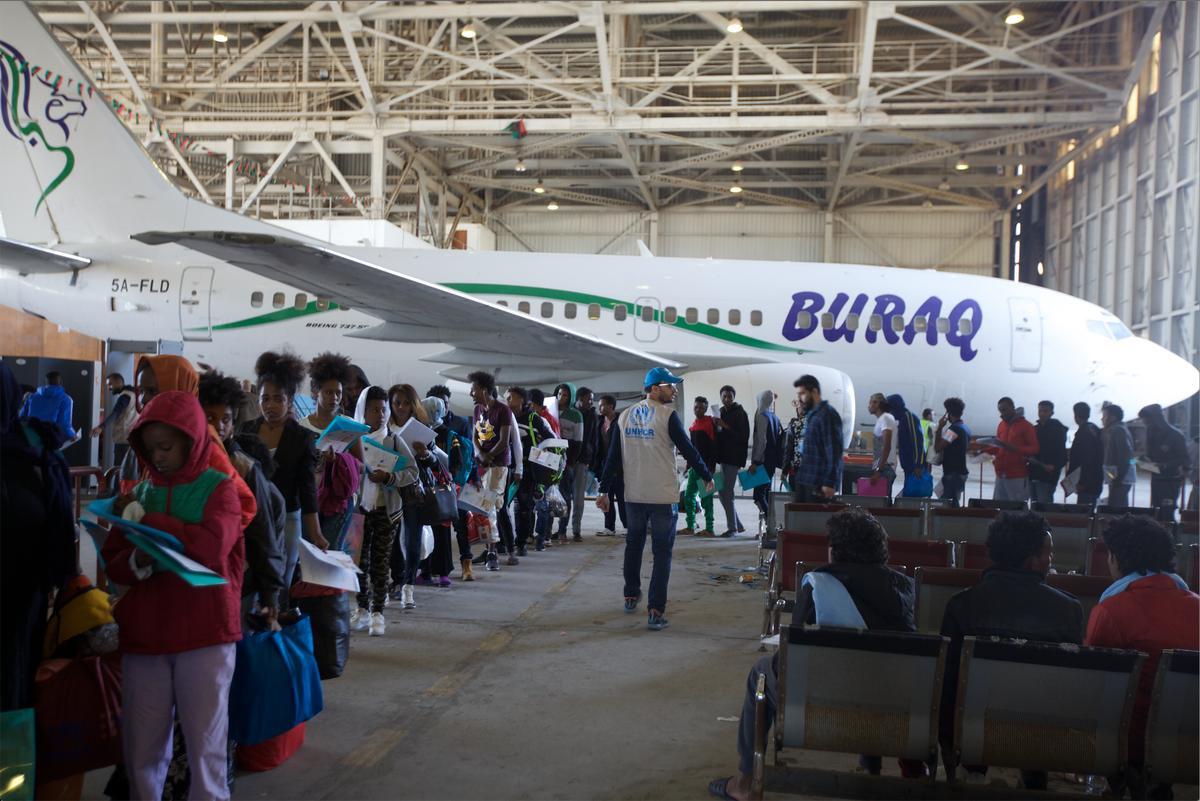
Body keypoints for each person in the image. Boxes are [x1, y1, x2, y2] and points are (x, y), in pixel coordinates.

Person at [709, 508, 920, 801]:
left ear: (833, 552)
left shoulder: (819, 584)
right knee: (869, 668)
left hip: (823, 705)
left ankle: (745, 782)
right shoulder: (905, 589)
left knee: (761, 671)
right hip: (889, 703)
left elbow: (793, 659)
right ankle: (870, 770)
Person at [100, 391, 244, 801]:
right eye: (150, 449)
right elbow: (114, 561)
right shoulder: (138, 494)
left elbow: (213, 549)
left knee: (206, 749)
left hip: (205, 634)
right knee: (142, 749)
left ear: (192, 439)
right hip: (146, 636)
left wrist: (153, 525)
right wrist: (140, 559)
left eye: (166, 446)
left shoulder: (220, 489)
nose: (157, 457)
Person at [938, 510, 1083, 787]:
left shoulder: (961, 605)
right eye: (1047, 553)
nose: (1051, 559)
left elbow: (948, 681)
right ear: (1032, 559)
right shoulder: (1067, 610)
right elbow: (1068, 685)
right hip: (1042, 733)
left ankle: (973, 774)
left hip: (972, 727)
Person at [1086, 515, 1199, 799]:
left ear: (1115, 558)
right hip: (1192, 741)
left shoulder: (1111, 612)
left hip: (1129, 744)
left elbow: (1095, 689)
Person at [598, 367, 712, 631]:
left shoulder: (624, 417)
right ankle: (655, 610)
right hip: (662, 496)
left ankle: (630, 594)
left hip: (634, 495)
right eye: (670, 386)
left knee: (633, 546)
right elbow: (688, 450)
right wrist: (706, 474)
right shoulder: (668, 416)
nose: (674, 390)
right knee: (662, 553)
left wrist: (603, 490)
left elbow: (612, 458)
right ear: (655, 388)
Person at [1, 363, 76, 711]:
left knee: (15, 682)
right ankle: (13, 765)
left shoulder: (35, 450)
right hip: (26, 595)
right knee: (16, 683)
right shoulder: (36, 448)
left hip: (22, 594)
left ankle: (13, 766)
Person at [199, 371, 286, 633]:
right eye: (210, 418)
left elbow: (263, 532)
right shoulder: (185, 460)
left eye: (225, 419)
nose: (219, 426)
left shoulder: (243, 468)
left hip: (239, 574)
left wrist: (271, 593)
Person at [238, 351, 324, 598]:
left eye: (278, 399)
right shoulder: (246, 432)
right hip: (251, 516)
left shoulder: (302, 438)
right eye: (265, 399)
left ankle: (273, 624)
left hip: (288, 518)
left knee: (281, 580)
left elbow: (307, 490)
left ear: (290, 400)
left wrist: (316, 533)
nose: (271, 406)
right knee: (250, 577)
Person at [350, 386, 406, 634]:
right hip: (359, 510)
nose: (381, 414)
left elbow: (411, 473)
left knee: (380, 563)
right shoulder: (355, 440)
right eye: (374, 409)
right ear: (363, 411)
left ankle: (378, 613)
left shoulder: (394, 440)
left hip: (386, 510)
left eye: (384, 409)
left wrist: (389, 477)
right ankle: (361, 608)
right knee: (359, 562)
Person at [299, 352, 363, 551]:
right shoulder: (301, 426)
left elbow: (362, 466)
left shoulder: (349, 426)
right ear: (316, 391)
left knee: (330, 554)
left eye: (338, 393)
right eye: (328, 392)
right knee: (308, 556)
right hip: (308, 500)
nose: (334, 398)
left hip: (339, 501)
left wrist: (341, 460)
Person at [387, 384, 443, 606]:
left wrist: (425, 454)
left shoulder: (421, 429)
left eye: (406, 402)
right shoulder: (384, 427)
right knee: (389, 542)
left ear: (413, 404)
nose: (401, 407)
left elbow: (436, 464)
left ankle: (408, 587)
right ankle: (396, 580)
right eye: (396, 403)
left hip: (413, 491)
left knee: (412, 540)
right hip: (388, 489)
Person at [427, 384, 476, 577]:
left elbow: (469, 452)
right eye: (439, 404)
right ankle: (433, 568)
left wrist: (474, 477)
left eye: (446, 403)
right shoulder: (425, 424)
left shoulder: (459, 423)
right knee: (437, 526)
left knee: (461, 523)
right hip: (434, 483)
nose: (443, 408)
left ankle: (467, 563)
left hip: (457, 481)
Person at [470, 370, 516, 573]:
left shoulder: (503, 410)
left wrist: (489, 456)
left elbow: (505, 440)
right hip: (482, 465)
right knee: (483, 508)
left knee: (489, 508)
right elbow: (474, 435)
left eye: (474, 390)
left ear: (484, 390)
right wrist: (480, 454)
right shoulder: (478, 410)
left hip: (497, 467)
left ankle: (493, 552)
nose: (471, 394)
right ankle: (490, 548)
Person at [506, 386, 558, 553]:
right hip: (508, 467)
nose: (508, 400)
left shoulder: (535, 419)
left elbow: (552, 440)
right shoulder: (505, 417)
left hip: (528, 470)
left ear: (522, 400)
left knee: (524, 507)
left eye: (511, 397)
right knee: (506, 507)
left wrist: (539, 455)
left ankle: (521, 543)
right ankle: (507, 542)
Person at [419, 396, 458, 583]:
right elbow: (455, 462)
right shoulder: (449, 433)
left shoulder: (420, 433)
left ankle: (426, 572)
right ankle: (443, 574)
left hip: (426, 489)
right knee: (441, 531)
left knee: (426, 529)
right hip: (443, 490)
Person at [971, 397, 1037, 502]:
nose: (1002, 413)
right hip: (1000, 475)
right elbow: (998, 446)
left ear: (1013, 408)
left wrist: (1015, 448)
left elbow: (1034, 448)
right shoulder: (1001, 425)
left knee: (1017, 509)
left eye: (1005, 409)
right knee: (999, 506)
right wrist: (982, 452)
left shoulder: (1026, 426)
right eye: (1000, 410)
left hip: (1017, 475)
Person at [793, 375, 844, 502]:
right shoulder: (812, 414)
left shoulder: (827, 415)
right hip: (805, 478)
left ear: (814, 392)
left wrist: (830, 483)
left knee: (813, 521)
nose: (799, 399)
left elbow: (834, 452)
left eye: (802, 394)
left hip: (818, 483)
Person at [1137, 404, 1189, 516]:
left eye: (1147, 420)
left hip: (1171, 481)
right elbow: (1150, 454)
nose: (1145, 423)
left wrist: (1165, 465)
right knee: (1155, 511)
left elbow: (1184, 458)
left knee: (1167, 511)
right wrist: (1143, 460)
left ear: (1156, 418)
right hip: (1156, 479)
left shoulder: (1175, 435)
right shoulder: (1151, 433)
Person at [714, 386, 749, 537]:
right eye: (724, 396)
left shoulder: (740, 413)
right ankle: (737, 525)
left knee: (727, 493)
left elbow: (743, 437)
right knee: (723, 492)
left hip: (733, 458)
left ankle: (733, 528)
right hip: (723, 458)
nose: (727, 399)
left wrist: (724, 426)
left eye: (729, 396)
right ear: (720, 397)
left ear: (734, 397)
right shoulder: (720, 412)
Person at [550, 383, 584, 543]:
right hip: (549, 458)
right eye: (559, 394)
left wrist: (570, 462)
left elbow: (578, 441)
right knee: (548, 495)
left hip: (566, 460)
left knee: (565, 495)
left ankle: (562, 530)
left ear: (571, 397)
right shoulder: (549, 410)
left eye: (565, 395)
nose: (561, 397)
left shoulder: (576, 415)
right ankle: (545, 530)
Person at [681, 396, 718, 537]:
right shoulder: (693, 425)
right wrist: (688, 465)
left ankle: (710, 529)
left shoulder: (710, 424)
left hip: (706, 469)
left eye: (701, 407)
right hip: (694, 468)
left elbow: (714, 448)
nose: (698, 410)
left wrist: (710, 469)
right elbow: (692, 449)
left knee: (706, 499)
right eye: (696, 407)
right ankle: (690, 526)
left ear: (706, 408)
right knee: (688, 496)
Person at [567, 386, 600, 540]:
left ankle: (576, 530)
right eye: (588, 399)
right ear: (579, 400)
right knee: (564, 496)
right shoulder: (570, 414)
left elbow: (593, 440)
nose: (591, 402)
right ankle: (561, 529)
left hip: (582, 461)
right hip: (567, 460)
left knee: (578, 497)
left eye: (592, 399)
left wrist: (591, 462)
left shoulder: (592, 416)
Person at [749, 390, 783, 531]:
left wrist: (755, 462)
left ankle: (771, 526)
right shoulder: (774, 417)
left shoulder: (762, 416)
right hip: (771, 462)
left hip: (762, 462)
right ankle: (770, 527)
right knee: (766, 495)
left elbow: (761, 441)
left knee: (758, 496)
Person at [593, 394, 626, 536]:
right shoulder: (600, 422)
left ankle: (628, 527)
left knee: (622, 499)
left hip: (620, 467)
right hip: (604, 466)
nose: (600, 408)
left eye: (602, 405)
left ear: (611, 406)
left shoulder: (620, 421)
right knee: (606, 496)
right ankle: (609, 527)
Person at [92, 373, 138, 470]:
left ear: (119, 382)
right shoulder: (134, 394)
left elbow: (115, 413)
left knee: (119, 470)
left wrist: (101, 427)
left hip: (123, 439)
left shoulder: (124, 396)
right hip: (132, 437)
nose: (109, 388)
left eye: (110, 384)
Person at [886, 393, 928, 497]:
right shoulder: (902, 418)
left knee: (913, 494)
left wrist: (918, 465)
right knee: (909, 492)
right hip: (908, 465)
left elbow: (918, 442)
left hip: (914, 466)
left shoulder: (909, 418)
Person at [1029, 401, 1068, 505]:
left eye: (1045, 411)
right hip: (1033, 473)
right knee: (1034, 505)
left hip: (1047, 477)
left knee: (1044, 506)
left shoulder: (1057, 430)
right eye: (1040, 410)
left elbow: (1061, 453)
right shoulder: (1035, 429)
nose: (1042, 413)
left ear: (1051, 413)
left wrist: (1054, 467)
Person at [1066, 402, 1104, 508]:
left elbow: (1088, 460)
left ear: (1076, 415)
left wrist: (1084, 483)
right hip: (1094, 481)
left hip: (1087, 484)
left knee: (1084, 513)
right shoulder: (1093, 429)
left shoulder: (1085, 432)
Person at [21, 370, 76, 442]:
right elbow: (64, 425)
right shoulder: (66, 399)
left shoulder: (31, 397)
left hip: (30, 438)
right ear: (61, 382)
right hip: (50, 440)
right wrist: (73, 435)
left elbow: (22, 418)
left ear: (46, 383)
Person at [934, 397, 970, 504]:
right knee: (952, 501)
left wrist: (939, 428)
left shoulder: (954, 429)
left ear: (949, 413)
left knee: (948, 504)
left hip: (953, 473)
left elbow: (938, 447)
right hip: (959, 471)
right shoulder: (964, 427)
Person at [1101, 404, 1135, 509]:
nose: (1102, 419)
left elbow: (1125, 457)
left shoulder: (1118, 431)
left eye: (1104, 416)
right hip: (1117, 476)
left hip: (1120, 477)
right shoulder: (1117, 430)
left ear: (1113, 417)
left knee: (1117, 507)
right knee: (1118, 503)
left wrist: (1118, 478)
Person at [867, 393, 899, 500]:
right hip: (882, 466)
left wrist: (878, 471)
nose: (869, 405)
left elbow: (886, 446)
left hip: (885, 468)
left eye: (871, 402)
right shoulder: (881, 419)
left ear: (877, 403)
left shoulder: (886, 418)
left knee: (883, 502)